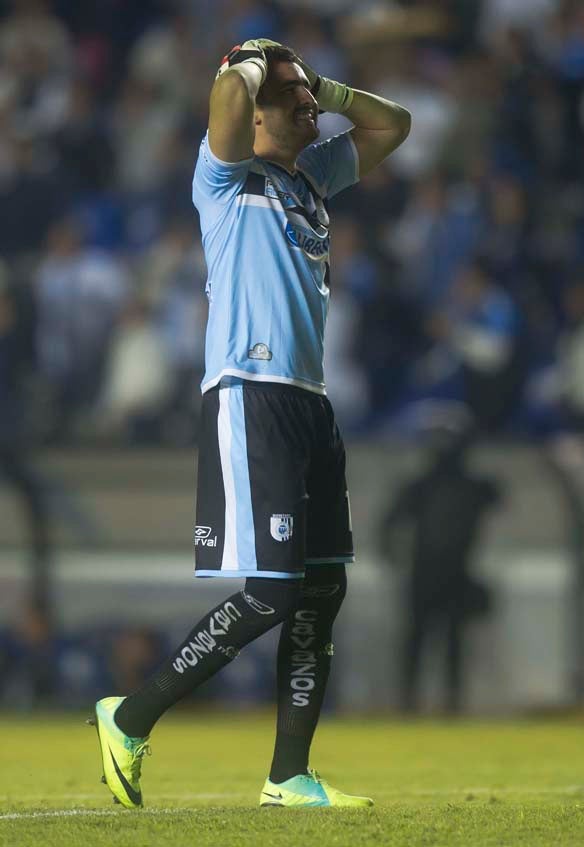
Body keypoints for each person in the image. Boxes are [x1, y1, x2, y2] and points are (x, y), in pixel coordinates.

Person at [91, 38, 411, 808]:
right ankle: (129, 716)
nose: (307, 103)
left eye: (308, 92)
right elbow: (229, 101)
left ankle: (288, 775)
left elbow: (393, 124)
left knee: (322, 586)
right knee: (270, 591)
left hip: (310, 399)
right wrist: (254, 62)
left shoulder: (311, 176)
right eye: (290, 94)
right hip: (251, 391)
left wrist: (321, 87)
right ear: (257, 109)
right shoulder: (225, 176)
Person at [380, 431, 500, 713]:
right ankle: (410, 700)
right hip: (425, 572)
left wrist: (389, 552)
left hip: (455, 572)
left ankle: (450, 701)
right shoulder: (423, 486)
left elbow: (497, 497)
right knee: (420, 638)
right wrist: (390, 554)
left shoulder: (470, 487)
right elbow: (391, 522)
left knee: (451, 639)